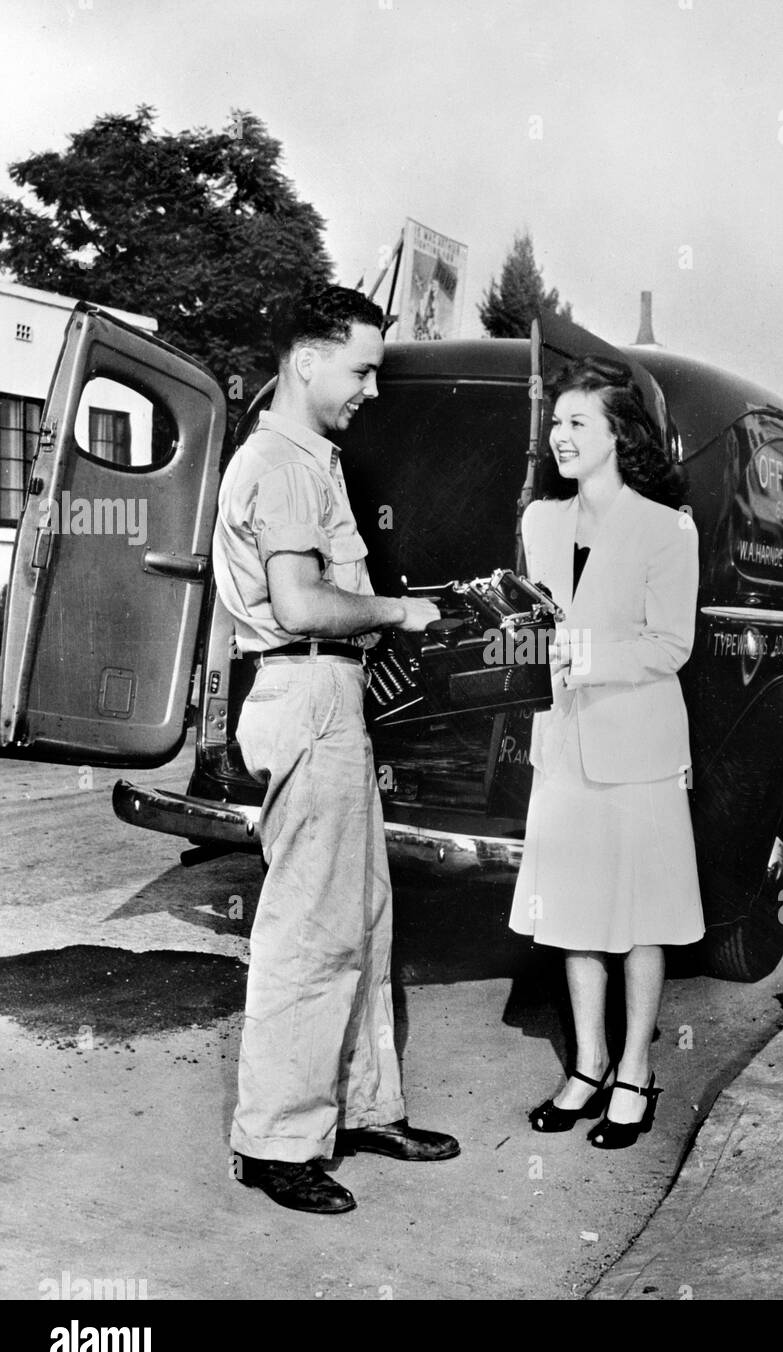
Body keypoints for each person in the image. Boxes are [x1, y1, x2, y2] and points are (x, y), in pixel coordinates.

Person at [213, 284, 459, 1216]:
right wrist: (399, 610)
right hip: (305, 682)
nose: (371, 389)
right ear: (306, 359)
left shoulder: (312, 457)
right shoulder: (280, 465)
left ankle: (358, 1109)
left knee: (361, 915)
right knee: (309, 932)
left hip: (328, 689)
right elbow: (302, 607)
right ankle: (276, 1142)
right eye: (360, 369)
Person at [508, 356, 704, 1149]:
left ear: (618, 435)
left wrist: (585, 657)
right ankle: (586, 1067)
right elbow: (530, 630)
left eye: (576, 422)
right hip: (562, 746)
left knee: (640, 920)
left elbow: (673, 644)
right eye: (554, 423)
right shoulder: (539, 523)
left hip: (640, 749)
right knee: (574, 919)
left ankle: (634, 1073)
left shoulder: (667, 527)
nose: (559, 435)